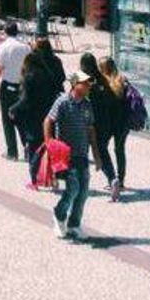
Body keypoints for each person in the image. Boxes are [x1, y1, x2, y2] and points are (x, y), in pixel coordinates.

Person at [44, 71, 100, 240]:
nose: (88, 86)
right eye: (85, 83)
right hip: (66, 155)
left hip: (82, 154)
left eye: (89, 84)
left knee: (83, 191)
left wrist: (96, 155)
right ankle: (59, 215)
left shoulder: (87, 105)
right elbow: (48, 121)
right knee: (73, 188)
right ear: (75, 84)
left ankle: (74, 224)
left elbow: (91, 129)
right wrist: (50, 144)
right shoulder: (62, 102)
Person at [9, 37, 66, 187]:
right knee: (48, 143)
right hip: (49, 110)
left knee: (34, 146)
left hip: (33, 115)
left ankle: (34, 179)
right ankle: (52, 175)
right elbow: (61, 80)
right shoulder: (51, 68)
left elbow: (26, 99)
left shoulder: (30, 76)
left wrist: (13, 109)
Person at [0, 22, 31, 160]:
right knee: (22, 118)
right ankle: (27, 148)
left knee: (7, 119)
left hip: (7, 85)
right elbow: (29, 67)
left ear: (5, 32)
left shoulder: (2, 47)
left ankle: (12, 151)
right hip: (21, 86)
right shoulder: (25, 47)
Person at [80, 52, 115, 199]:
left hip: (87, 123)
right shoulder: (102, 79)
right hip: (104, 122)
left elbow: (74, 97)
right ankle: (112, 178)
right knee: (102, 151)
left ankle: (82, 183)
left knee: (81, 153)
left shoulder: (82, 79)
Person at [97, 56, 131, 198]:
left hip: (109, 122)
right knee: (119, 150)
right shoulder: (123, 80)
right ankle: (121, 180)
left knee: (102, 148)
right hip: (123, 122)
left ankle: (111, 178)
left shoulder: (103, 83)